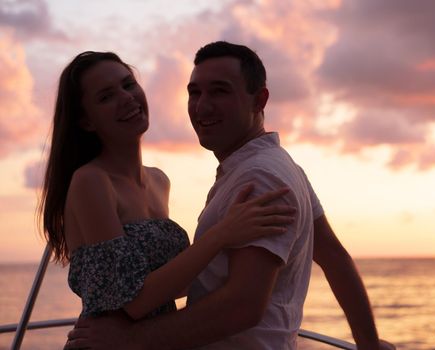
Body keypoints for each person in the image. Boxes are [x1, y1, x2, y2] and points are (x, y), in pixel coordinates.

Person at [66, 43, 395, 349]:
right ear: (86, 119)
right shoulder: (268, 168)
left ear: (259, 100)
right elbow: (333, 257)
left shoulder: (258, 176)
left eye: (220, 91)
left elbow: (242, 306)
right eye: (194, 92)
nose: (202, 105)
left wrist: (130, 340)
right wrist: (368, 342)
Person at [39, 51, 297, 325]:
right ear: (86, 121)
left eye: (128, 85)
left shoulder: (159, 181)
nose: (126, 98)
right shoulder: (91, 181)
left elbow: (176, 285)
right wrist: (222, 234)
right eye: (106, 97)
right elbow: (133, 301)